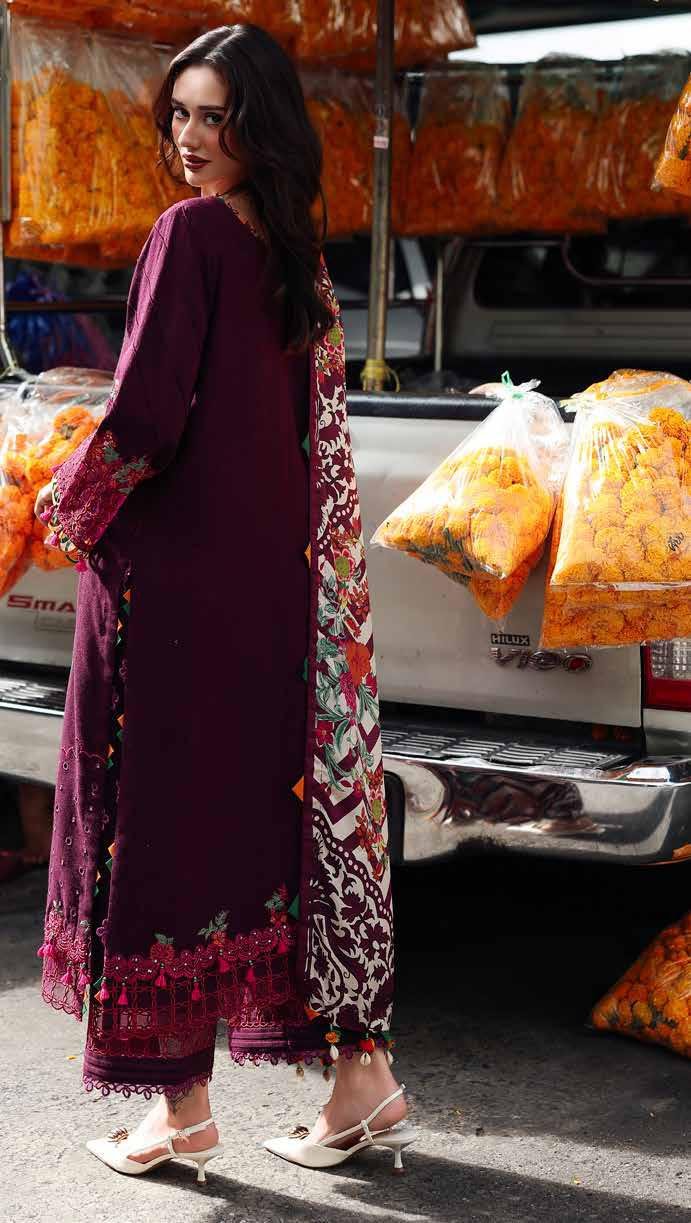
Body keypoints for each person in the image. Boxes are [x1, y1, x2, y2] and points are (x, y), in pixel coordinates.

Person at [33, 24, 415, 1181]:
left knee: (152, 833)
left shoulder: (190, 233)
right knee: (269, 834)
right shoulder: (296, 255)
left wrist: (63, 504)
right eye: (179, 116)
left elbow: (145, 418)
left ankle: (179, 1110)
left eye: (215, 117)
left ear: (263, 128)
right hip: (276, 597)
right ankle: (361, 1076)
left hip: (171, 592)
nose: (189, 140)